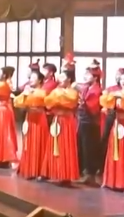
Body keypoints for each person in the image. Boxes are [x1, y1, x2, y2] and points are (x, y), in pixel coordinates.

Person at [41, 56, 80, 184]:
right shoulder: (57, 91)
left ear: (69, 79)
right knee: (53, 145)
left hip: (67, 121)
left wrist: (58, 97)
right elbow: (48, 102)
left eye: (63, 77)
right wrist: (57, 97)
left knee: (65, 147)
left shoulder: (73, 92)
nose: (59, 80)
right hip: (56, 119)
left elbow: (70, 102)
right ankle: (51, 172)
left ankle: (65, 175)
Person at [13, 70, 48, 179]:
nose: (31, 80)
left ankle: (39, 170)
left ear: (40, 80)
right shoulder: (27, 91)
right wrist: (25, 94)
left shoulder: (43, 92)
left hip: (39, 118)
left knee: (39, 143)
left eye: (33, 78)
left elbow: (42, 100)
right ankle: (28, 168)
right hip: (29, 117)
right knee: (28, 143)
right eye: (30, 78)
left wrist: (30, 93)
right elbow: (17, 103)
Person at [73, 61, 103, 184]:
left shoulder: (97, 90)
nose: (85, 76)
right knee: (81, 146)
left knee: (89, 148)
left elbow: (94, 108)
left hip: (91, 124)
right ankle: (82, 171)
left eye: (88, 74)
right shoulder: (86, 88)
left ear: (95, 78)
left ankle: (90, 174)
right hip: (83, 121)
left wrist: (83, 103)